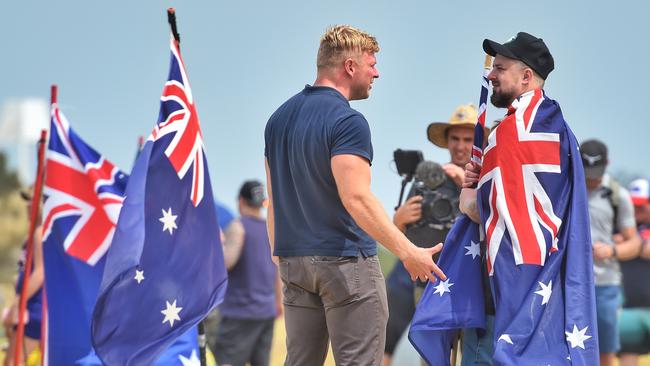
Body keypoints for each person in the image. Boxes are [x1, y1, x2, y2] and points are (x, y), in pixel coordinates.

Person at [264, 25, 445, 365]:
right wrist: (408, 252)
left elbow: (273, 198)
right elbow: (357, 198)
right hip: (346, 264)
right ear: (350, 66)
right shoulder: (348, 121)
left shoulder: (277, 120)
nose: (376, 72)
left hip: (294, 261)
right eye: (371, 63)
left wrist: (282, 259)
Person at [460, 32, 599, 364]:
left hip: (506, 298)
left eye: (500, 68)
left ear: (525, 77)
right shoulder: (561, 130)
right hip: (549, 297)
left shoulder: (510, 132)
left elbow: (487, 212)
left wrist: (467, 192)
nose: (490, 75)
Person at [383, 104, 489, 366]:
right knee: (432, 359)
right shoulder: (427, 181)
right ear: (447, 142)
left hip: (475, 286)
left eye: (468, 139)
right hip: (431, 286)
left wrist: (464, 183)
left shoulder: (489, 181)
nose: (461, 146)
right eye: (455, 138)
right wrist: (398, 221)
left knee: (476, 357)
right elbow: (399, 238)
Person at [580, 139, 641, 366]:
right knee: (572, 345)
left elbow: (633, 242)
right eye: (588, 172)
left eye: (597, 172)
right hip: (573, 282)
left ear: (608, 164)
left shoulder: (618, 195)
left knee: (606, 349)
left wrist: (611, 250)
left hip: (605, 285)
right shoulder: (569, 188)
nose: (592, 178)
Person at [213, 180, 281, 366]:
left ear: (241, 201)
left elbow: (227, 262)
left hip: (239, 312)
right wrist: (278, 302)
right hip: (266, 311)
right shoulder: (271, 229)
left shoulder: (238, 227)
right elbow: (277, 269)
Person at [2, 188, 43, 366]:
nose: (28, 205)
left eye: (33, 200)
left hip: (34, 308)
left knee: (12, 362)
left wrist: (17, 303)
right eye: (27, 200)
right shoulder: (31, 237)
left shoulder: (39, 234)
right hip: (31, 307)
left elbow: (40, 273)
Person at [618, 178, 650, 366]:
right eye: (633, 206)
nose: (636, 211)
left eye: (641, 206)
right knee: (628, 353)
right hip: (629, 307)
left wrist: (631, 245)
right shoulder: (623, 226)